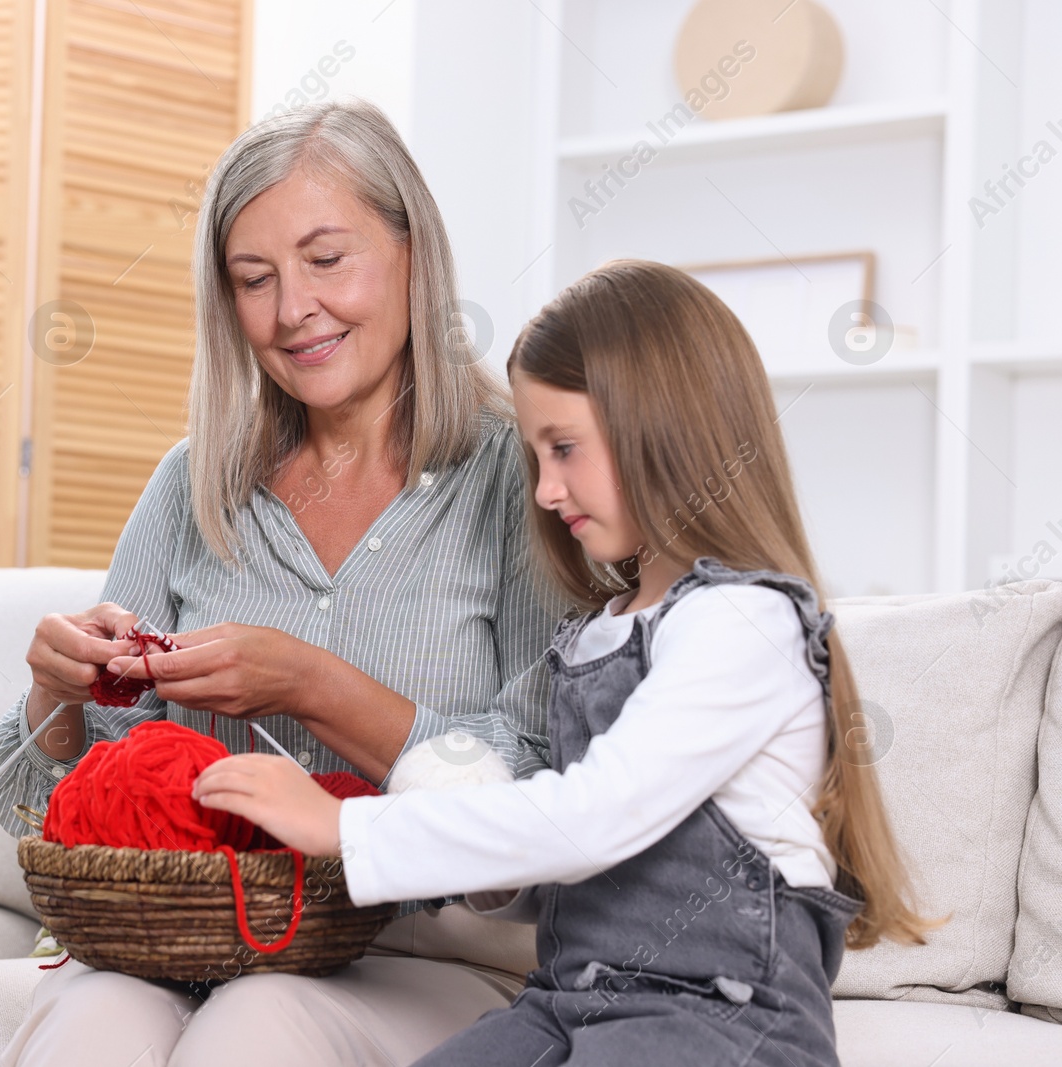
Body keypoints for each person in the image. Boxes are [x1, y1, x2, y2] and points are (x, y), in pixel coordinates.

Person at [194, 259, 937, 1066]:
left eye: (566, 449)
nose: (546, 490)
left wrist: (341, 824)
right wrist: (497, 881)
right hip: (572, 1001)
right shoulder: (595, 637)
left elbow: (594, 817)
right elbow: (584, 873)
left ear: (666, 429)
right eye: (535, 455)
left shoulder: (742, 624)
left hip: (721, 1020)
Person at [0, 99, 565, 1066]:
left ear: (414, 250)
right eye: (255, 279)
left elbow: (548, 778)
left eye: (327, 260)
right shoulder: (194, 481)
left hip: (421, 951)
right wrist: (59, 692)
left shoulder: (519, 478)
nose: (293, 309)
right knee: (92, 1028)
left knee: (256, 1029)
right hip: (180, 939)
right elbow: (57, 809)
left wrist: (313, 685)